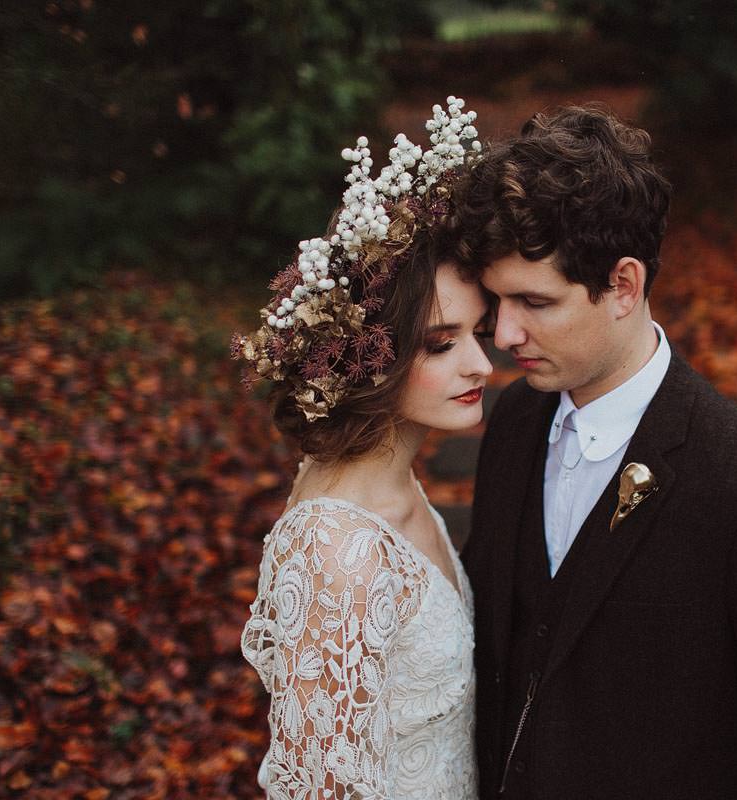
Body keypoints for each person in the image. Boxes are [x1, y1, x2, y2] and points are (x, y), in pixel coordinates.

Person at [448, 105, 737, 798]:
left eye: (535, 302)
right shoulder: (515, 424)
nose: (503, 334)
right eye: (497, 303)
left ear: (623, 286)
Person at [233, 98, 491, 799]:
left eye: (478, 334)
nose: (481, 367)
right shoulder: (334, 551)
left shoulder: (394, 484)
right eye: (443, 344)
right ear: (372, 355)